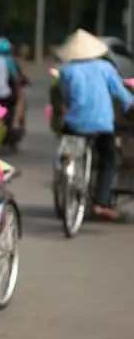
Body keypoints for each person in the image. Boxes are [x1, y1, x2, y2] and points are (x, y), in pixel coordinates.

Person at [57, 28, 134, 220]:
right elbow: (122, 95)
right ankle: (101, 203)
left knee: (67, 145)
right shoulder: (105, 68)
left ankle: (67, 165)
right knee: (108, 159)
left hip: (74, 124)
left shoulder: (66, 70)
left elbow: (65, 97)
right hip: (101, 125)